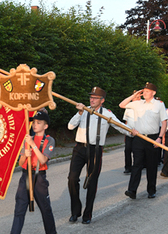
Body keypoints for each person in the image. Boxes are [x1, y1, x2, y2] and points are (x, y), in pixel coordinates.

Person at [67, 87, 136, 224]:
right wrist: (80, 113)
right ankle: (75, 211)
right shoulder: (84, 110)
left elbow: (119, 126)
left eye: (95, 98)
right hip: (80, 148)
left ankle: (88, 214)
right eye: (91, 97)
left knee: (92, 182)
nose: (92, 100)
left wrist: (131, 131)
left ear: (102, 100)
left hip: (96, 150)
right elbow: (70, 126)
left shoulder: (107, 114)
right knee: (72, 179)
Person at [0, 111, 58, 234]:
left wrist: (33, 145)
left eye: (38, 123)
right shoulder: (27, 138)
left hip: (39, 177)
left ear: (45, 126)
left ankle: (52, 233)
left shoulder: (49, 140)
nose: (35, 125)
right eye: (34, 122)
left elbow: (43, 160)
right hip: (26, 175)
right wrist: (25, 155)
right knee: (19, 208)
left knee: (45, 208)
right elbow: (20, 163)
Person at [120, 83, 167, 199]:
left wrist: (160, 138)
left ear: (153, 93)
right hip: (139, 138)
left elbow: (164, 122)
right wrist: (134, 95)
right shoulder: (137, 104)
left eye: (147, 91)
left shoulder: (159, 105)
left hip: (153, 138)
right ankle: (132, 190)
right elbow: (122, 105)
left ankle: (151, 190)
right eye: (143, 91)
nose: (144, 92)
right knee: (137, 164)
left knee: (151, 166)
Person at [122, 90, 142, 174]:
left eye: (139, 97)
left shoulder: (142, 107)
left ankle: (137, 166)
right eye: (136, 97)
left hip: (139, 133)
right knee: (127, 150)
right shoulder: (128, 108)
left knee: (137, 151)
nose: (138, 99)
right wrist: (125, 133)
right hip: (129, 133)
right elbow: (126, 121)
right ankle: (128, 167)